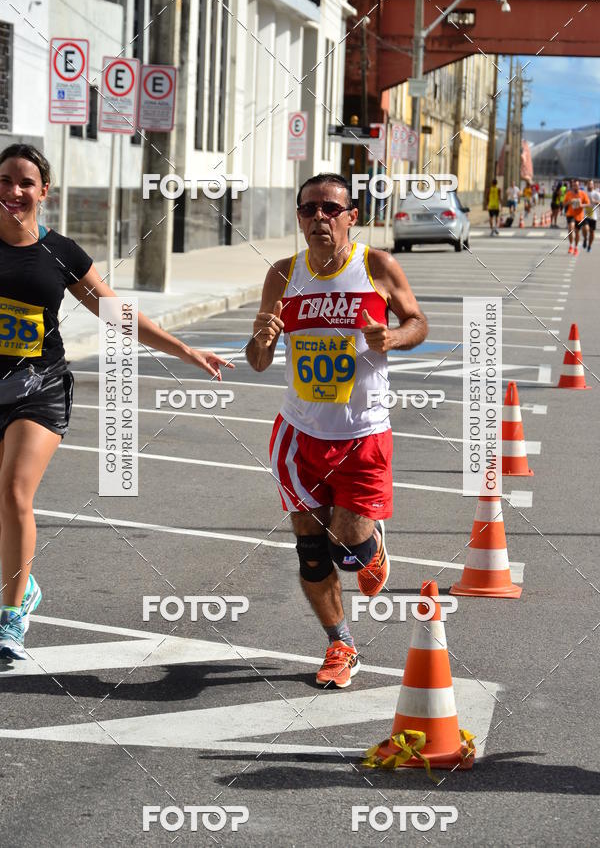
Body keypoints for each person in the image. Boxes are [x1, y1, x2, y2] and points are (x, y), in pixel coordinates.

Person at [0, 144, 232, 660]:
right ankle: (26, 584)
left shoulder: (60, 252)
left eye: (24, 182)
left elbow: (116, 312)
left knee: (15, 491)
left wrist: (185, 349)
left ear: (44, 192)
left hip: (39, 388)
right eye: (4, 181)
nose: (13, 192)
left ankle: (12, 616)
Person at [246, 173, 428, 689]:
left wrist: (394, 335)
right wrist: (262, 338)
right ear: (299, 218)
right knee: (310, 546)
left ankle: (370, 545)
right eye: (308, 209)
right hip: (299, 434)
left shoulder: (376, 266)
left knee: (349, 547)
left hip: (364, 432)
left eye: (331, 208)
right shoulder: (283, 274)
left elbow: (419, 322)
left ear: (352, 215)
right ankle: (340, 644)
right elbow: (258, 360)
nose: (319, 217)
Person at [562, 177, 590, 255]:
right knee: (571, 228)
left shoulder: (583, 194)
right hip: (570, 214)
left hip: (579, 215)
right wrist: (569, 202)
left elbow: (588, 204)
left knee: (577, 232)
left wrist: (581, 205)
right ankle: (570, 245)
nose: (575, 187)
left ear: (579, 185)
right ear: (572, 186)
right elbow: (564, 204)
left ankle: (576, 247)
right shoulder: (568, 193)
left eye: (576, 185)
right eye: (574, 185)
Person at [582, 179, 600, 251]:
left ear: (593, 185)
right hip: (585, 215)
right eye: (588, 184)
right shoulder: (584, 193)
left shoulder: (596, 194)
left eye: (591, 184)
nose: (590, 185)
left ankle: (589, 245)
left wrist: (594, 201)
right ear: (587, 185)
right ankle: (585, 239)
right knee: (585, 228)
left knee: (592, 232)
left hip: (593, 216)